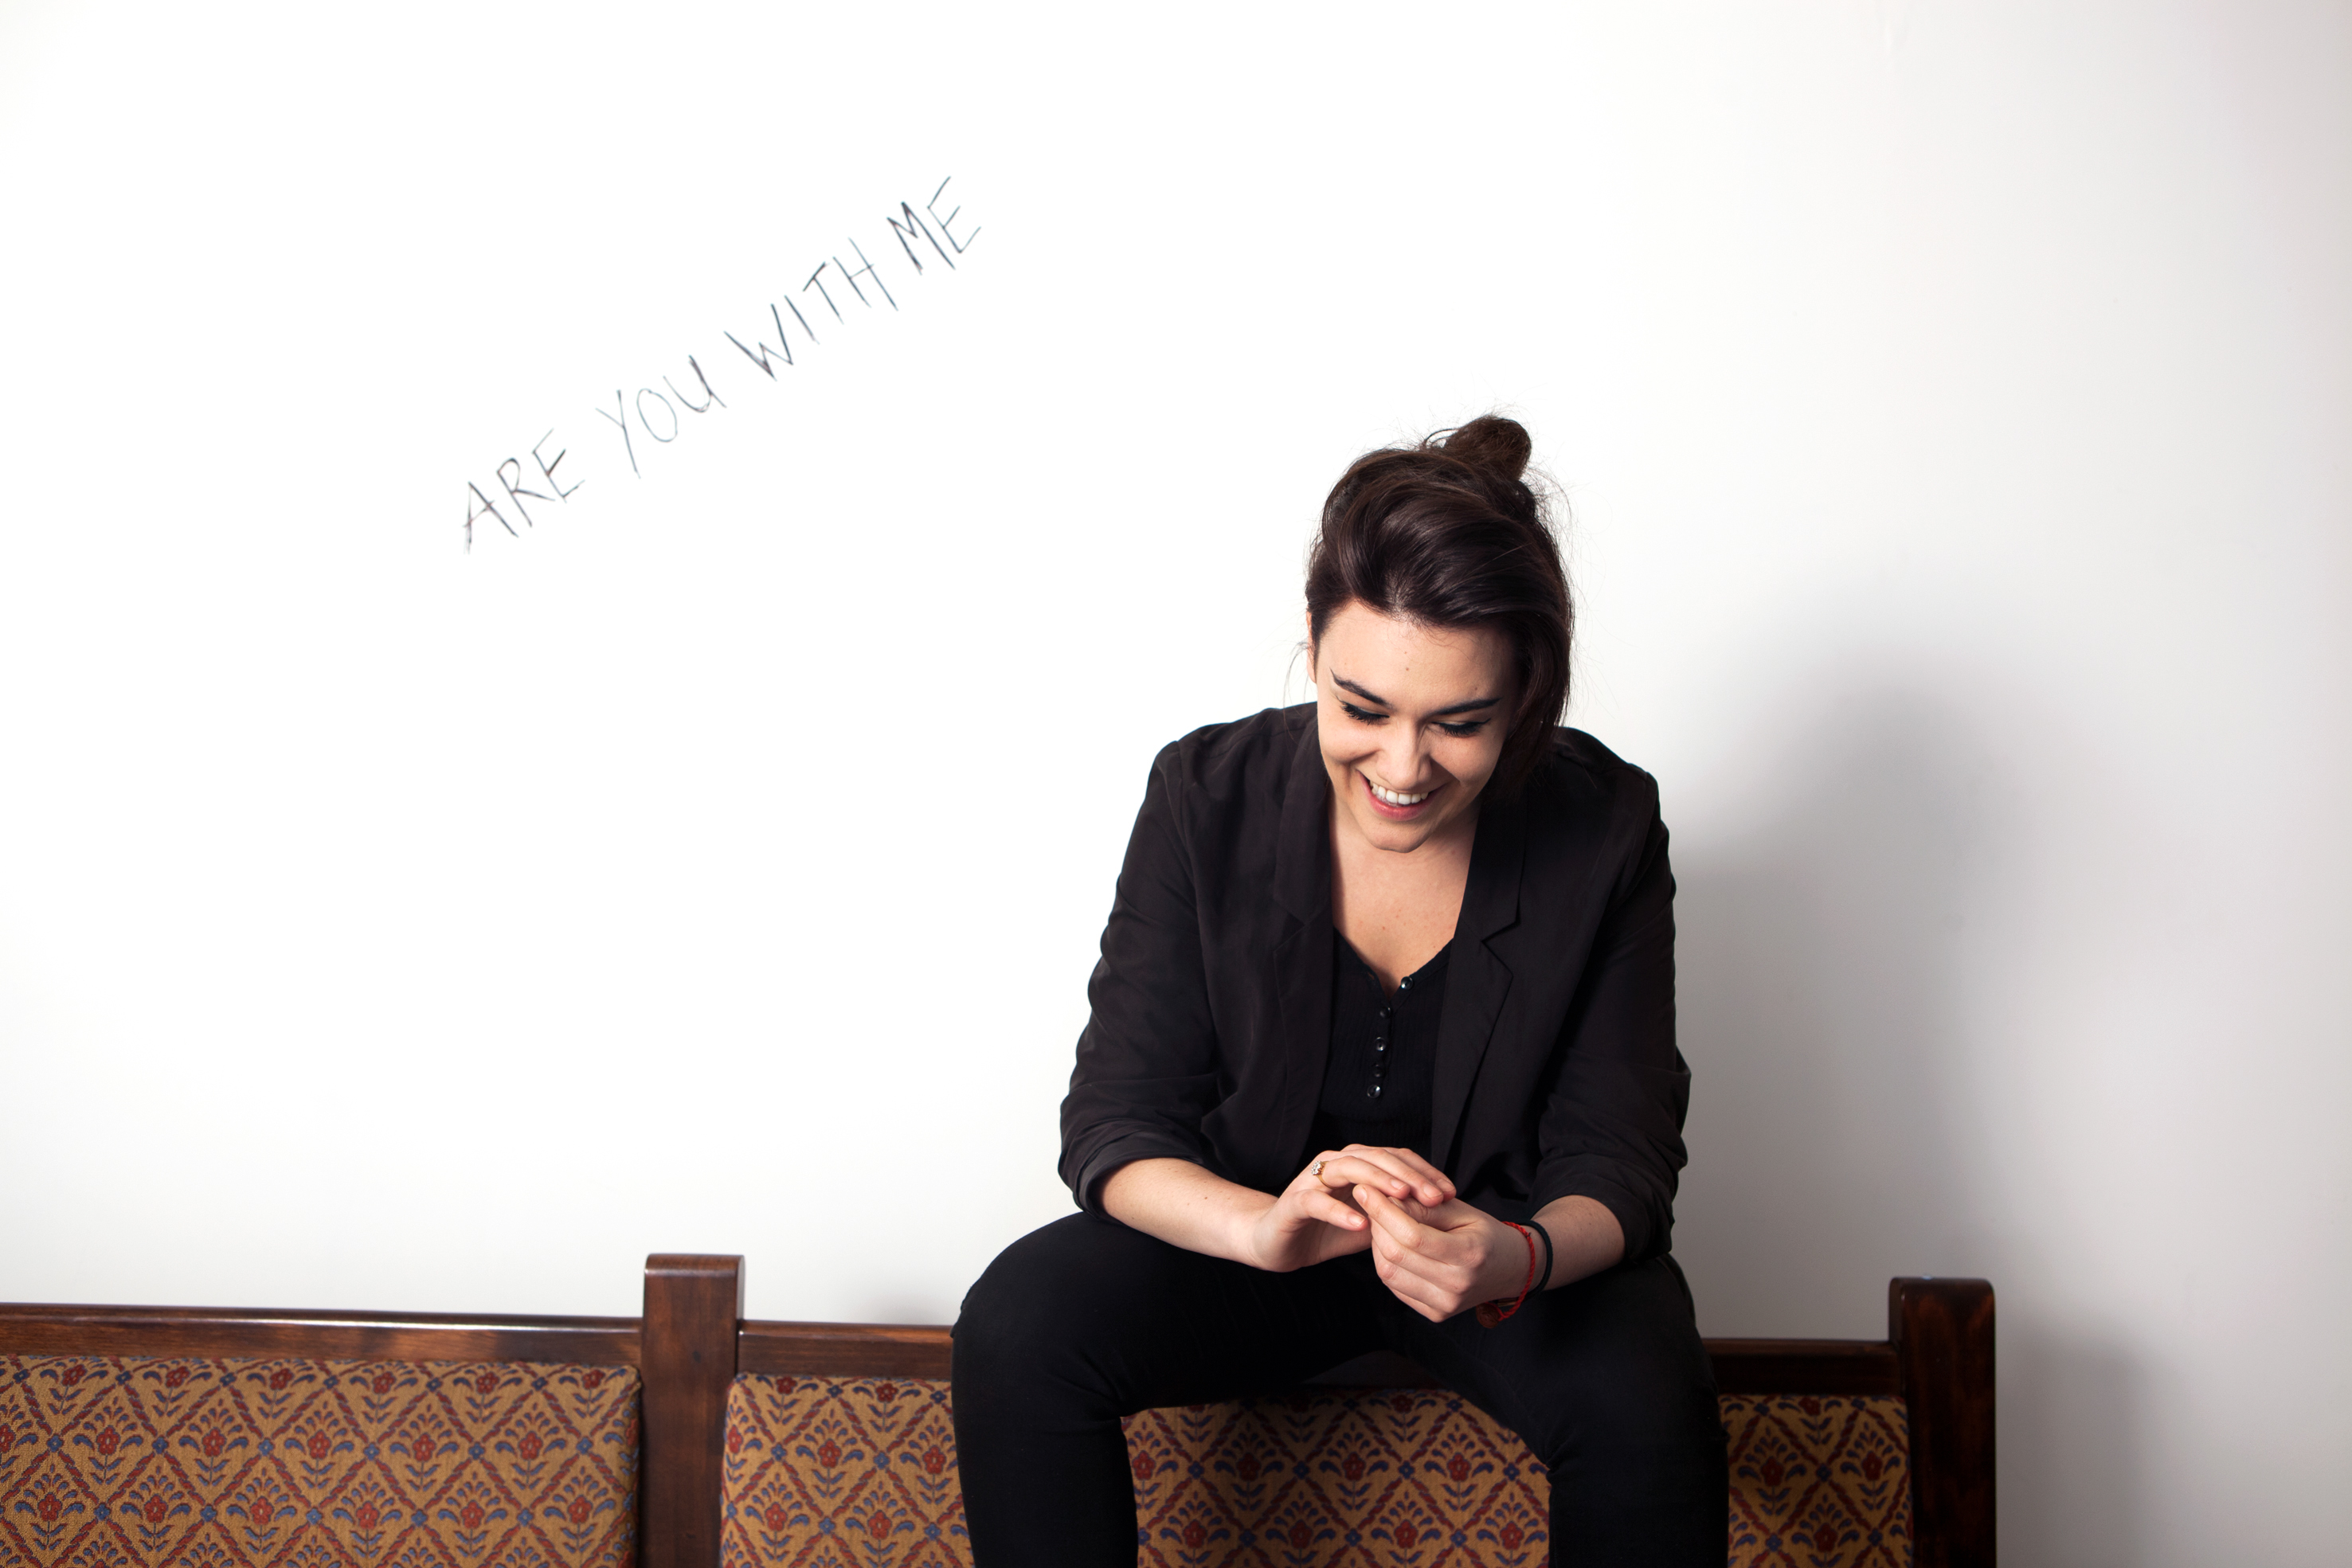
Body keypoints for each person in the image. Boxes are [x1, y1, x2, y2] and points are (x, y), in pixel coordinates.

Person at [950, 416, 1727, 1566]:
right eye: (1362, 709)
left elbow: (1621, 1157)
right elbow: (1117, 1120)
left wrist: (1511, 1255)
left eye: (1459, 723)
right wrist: (1258, 1227)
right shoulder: (1203, 795)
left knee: (1647, 1391)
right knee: (1018, 1324)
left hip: (1495, 1254)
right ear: (1313, 646)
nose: (1403, 769)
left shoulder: (1604, 825)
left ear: (1526, 696)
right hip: (1256, 1239)